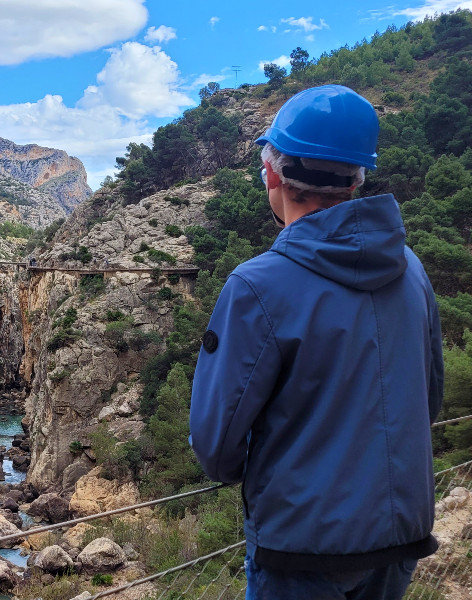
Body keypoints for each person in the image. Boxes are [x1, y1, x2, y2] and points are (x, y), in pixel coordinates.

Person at [189, 85, 443, 600]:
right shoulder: (412, 270)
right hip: (398, 538)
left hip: (301, 546)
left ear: (273, 174)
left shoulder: (257, 286)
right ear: (356, 178)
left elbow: (216, 447)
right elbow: (428, 399)